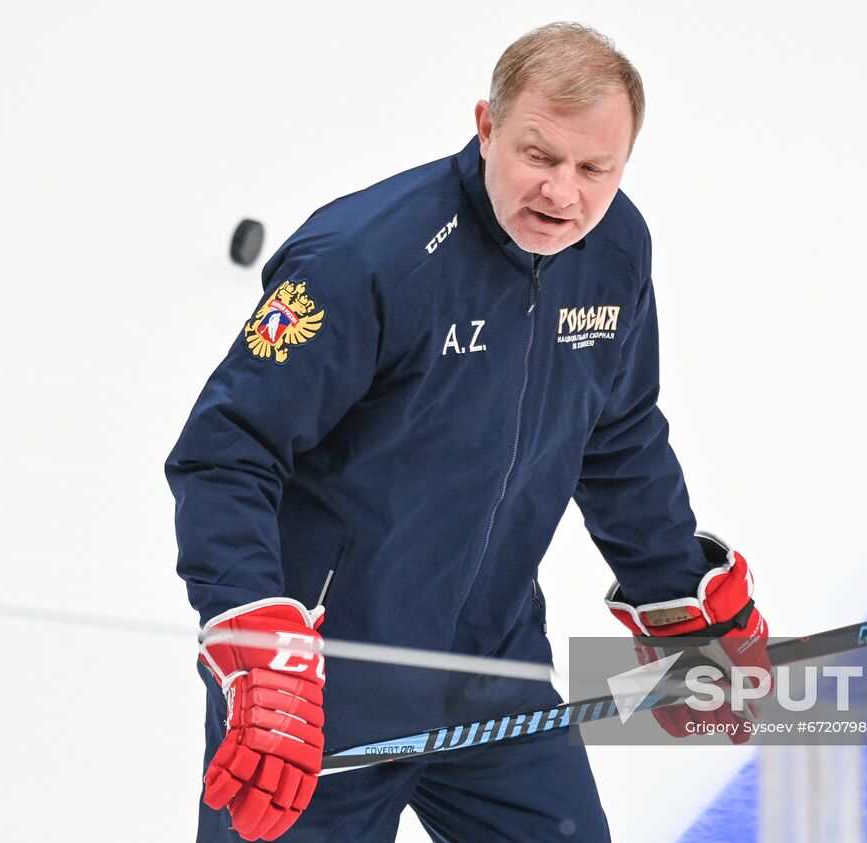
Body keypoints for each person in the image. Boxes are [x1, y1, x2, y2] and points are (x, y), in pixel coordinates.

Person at [167, 22, 770, 842]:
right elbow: (227, 450)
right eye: (539, 156)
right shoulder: (365, 258)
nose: (564, 193)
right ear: (486, 126)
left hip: (493, 666)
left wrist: (679, 597)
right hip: (322, 688)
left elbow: (619, 437)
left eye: (596, 169)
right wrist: (255, 630)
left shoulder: (615, 249)